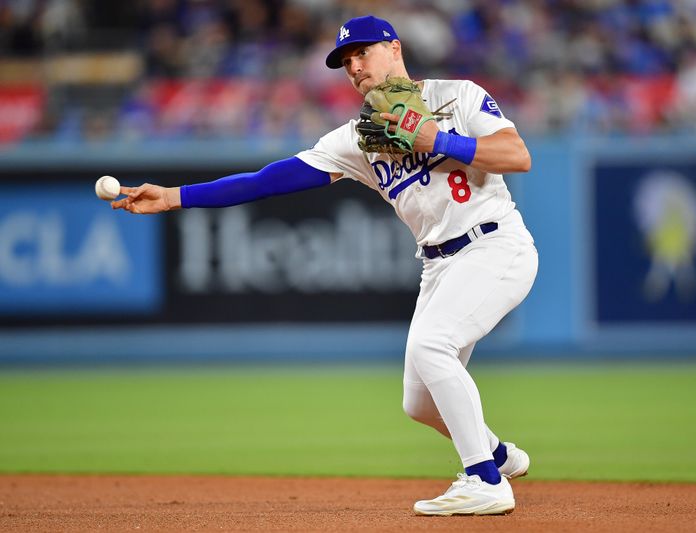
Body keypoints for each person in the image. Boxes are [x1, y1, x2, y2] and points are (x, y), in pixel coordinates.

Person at [113, 15, 538, 516]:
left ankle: (484, 481)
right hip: (439, 265)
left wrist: (437, 141)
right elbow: (267, 180)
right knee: (419, 403)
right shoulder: (359, 138)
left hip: (495, 246)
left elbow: (516, 154)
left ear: (395, 48)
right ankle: (498, 455)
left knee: (432, 344)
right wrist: (174, 196)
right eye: (346, 61)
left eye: (363, 52)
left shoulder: (459, 95)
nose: (354, 66)